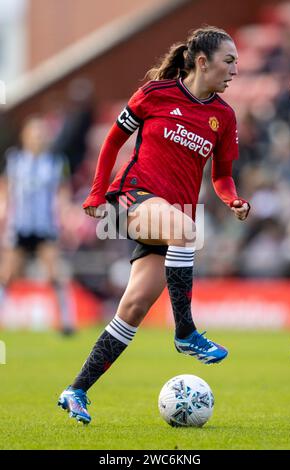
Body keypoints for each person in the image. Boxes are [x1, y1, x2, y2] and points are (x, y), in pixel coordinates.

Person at [58, 26, 250, 424]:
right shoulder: (154, 94)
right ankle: (185, 333)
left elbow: (221, 176)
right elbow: (112, 142)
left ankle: (76, 390)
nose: (235, 69)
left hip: (172, 216)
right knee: (184, 230)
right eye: (228, 61)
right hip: (134, 197)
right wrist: (95, 194)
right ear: (202, 62)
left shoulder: (223, 117)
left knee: (132, 308)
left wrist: (232, 198)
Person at [0, 116, 75, 334]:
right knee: (8, 274)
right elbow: (6, 189)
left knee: (55, 273)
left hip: (45, 227)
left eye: (42, 134)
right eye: (34, 134)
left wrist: (65, 214)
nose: (38, 138)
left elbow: (63, 192)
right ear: (25, 137)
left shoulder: (56, 162)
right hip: (20, 225)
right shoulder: (14, 160)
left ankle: (67, 321)